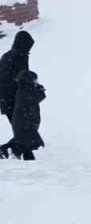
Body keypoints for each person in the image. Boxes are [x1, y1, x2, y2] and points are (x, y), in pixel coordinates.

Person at [0, 30, 34, 159]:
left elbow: (24, 78)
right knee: (23, 131)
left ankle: (23, 154)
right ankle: (13, 152)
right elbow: (4, 81)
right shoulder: (11, 57)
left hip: (21, 99)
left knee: (25, 130)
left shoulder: (22, 55)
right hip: (10, 101)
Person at [7, 70, 44, 161]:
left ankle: (11, 154)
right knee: (33, 144)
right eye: (35, 80)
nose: (36, 82)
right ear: (29, 80)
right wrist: (40, 88)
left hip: (25, 124)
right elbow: (38, 97)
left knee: (24, 145)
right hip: (24, 124)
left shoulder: (24, 90)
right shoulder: (24, 92)